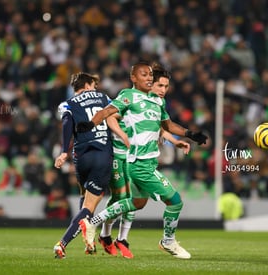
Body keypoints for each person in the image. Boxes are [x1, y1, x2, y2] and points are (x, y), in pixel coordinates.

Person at [77, 61, 208, 259]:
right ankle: (168, 241)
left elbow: (168, 125)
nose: (163, 89)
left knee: (136, 203)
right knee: (175, 202)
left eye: (166, 86)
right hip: (139, 164)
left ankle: (92, 223)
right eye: (159, 85)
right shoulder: (129, 96)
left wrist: (190, 134)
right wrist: (89, 124)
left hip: (145, 162)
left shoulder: (158, 103)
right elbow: (107, 112)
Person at [53, 72, 115, 259]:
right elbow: (116, 114)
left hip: (80, 157)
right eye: (93, 85)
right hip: (101, 155)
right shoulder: (103, 97)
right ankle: (62, 243)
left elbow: (66, 123)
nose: (95, 88)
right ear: (87, 85)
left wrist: (64, 151)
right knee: (90, 205)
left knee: (84, 196)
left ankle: (89, 242)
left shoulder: (67, 103)